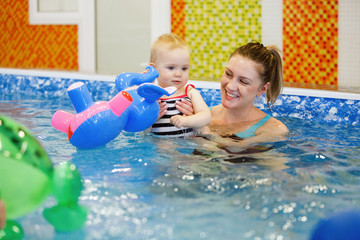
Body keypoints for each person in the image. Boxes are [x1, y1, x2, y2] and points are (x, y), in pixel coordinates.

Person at [176, 41, 288, 146]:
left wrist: (203, 130)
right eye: (228, 74)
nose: (230, 86)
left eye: (243, 81)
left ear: (262, 90)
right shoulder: (197, 115)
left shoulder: (272, 130)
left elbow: (235, 152)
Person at [150, 33, 211, 137]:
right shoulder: (152, 96)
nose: (178, 74)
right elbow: (143, 132)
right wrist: (151, 119)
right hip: (160, 147)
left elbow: (206, 117)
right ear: (154, 69)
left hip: (187, 146)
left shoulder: (190, 92)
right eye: (171, 68)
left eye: (184, 68)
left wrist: (186, 121)